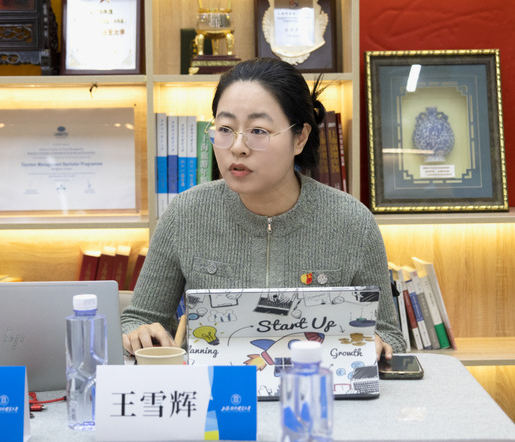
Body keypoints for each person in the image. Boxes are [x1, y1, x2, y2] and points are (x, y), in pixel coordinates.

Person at [121, 57, 406, 361]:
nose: (237, 147)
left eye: (258, 131)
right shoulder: (185, 214)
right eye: (225, 128)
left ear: (300, 138)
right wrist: (140, 333)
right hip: (214, 386)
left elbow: (390, 336)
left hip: (315, 384)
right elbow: (138, 318)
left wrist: (378, 344)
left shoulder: (353, 222)